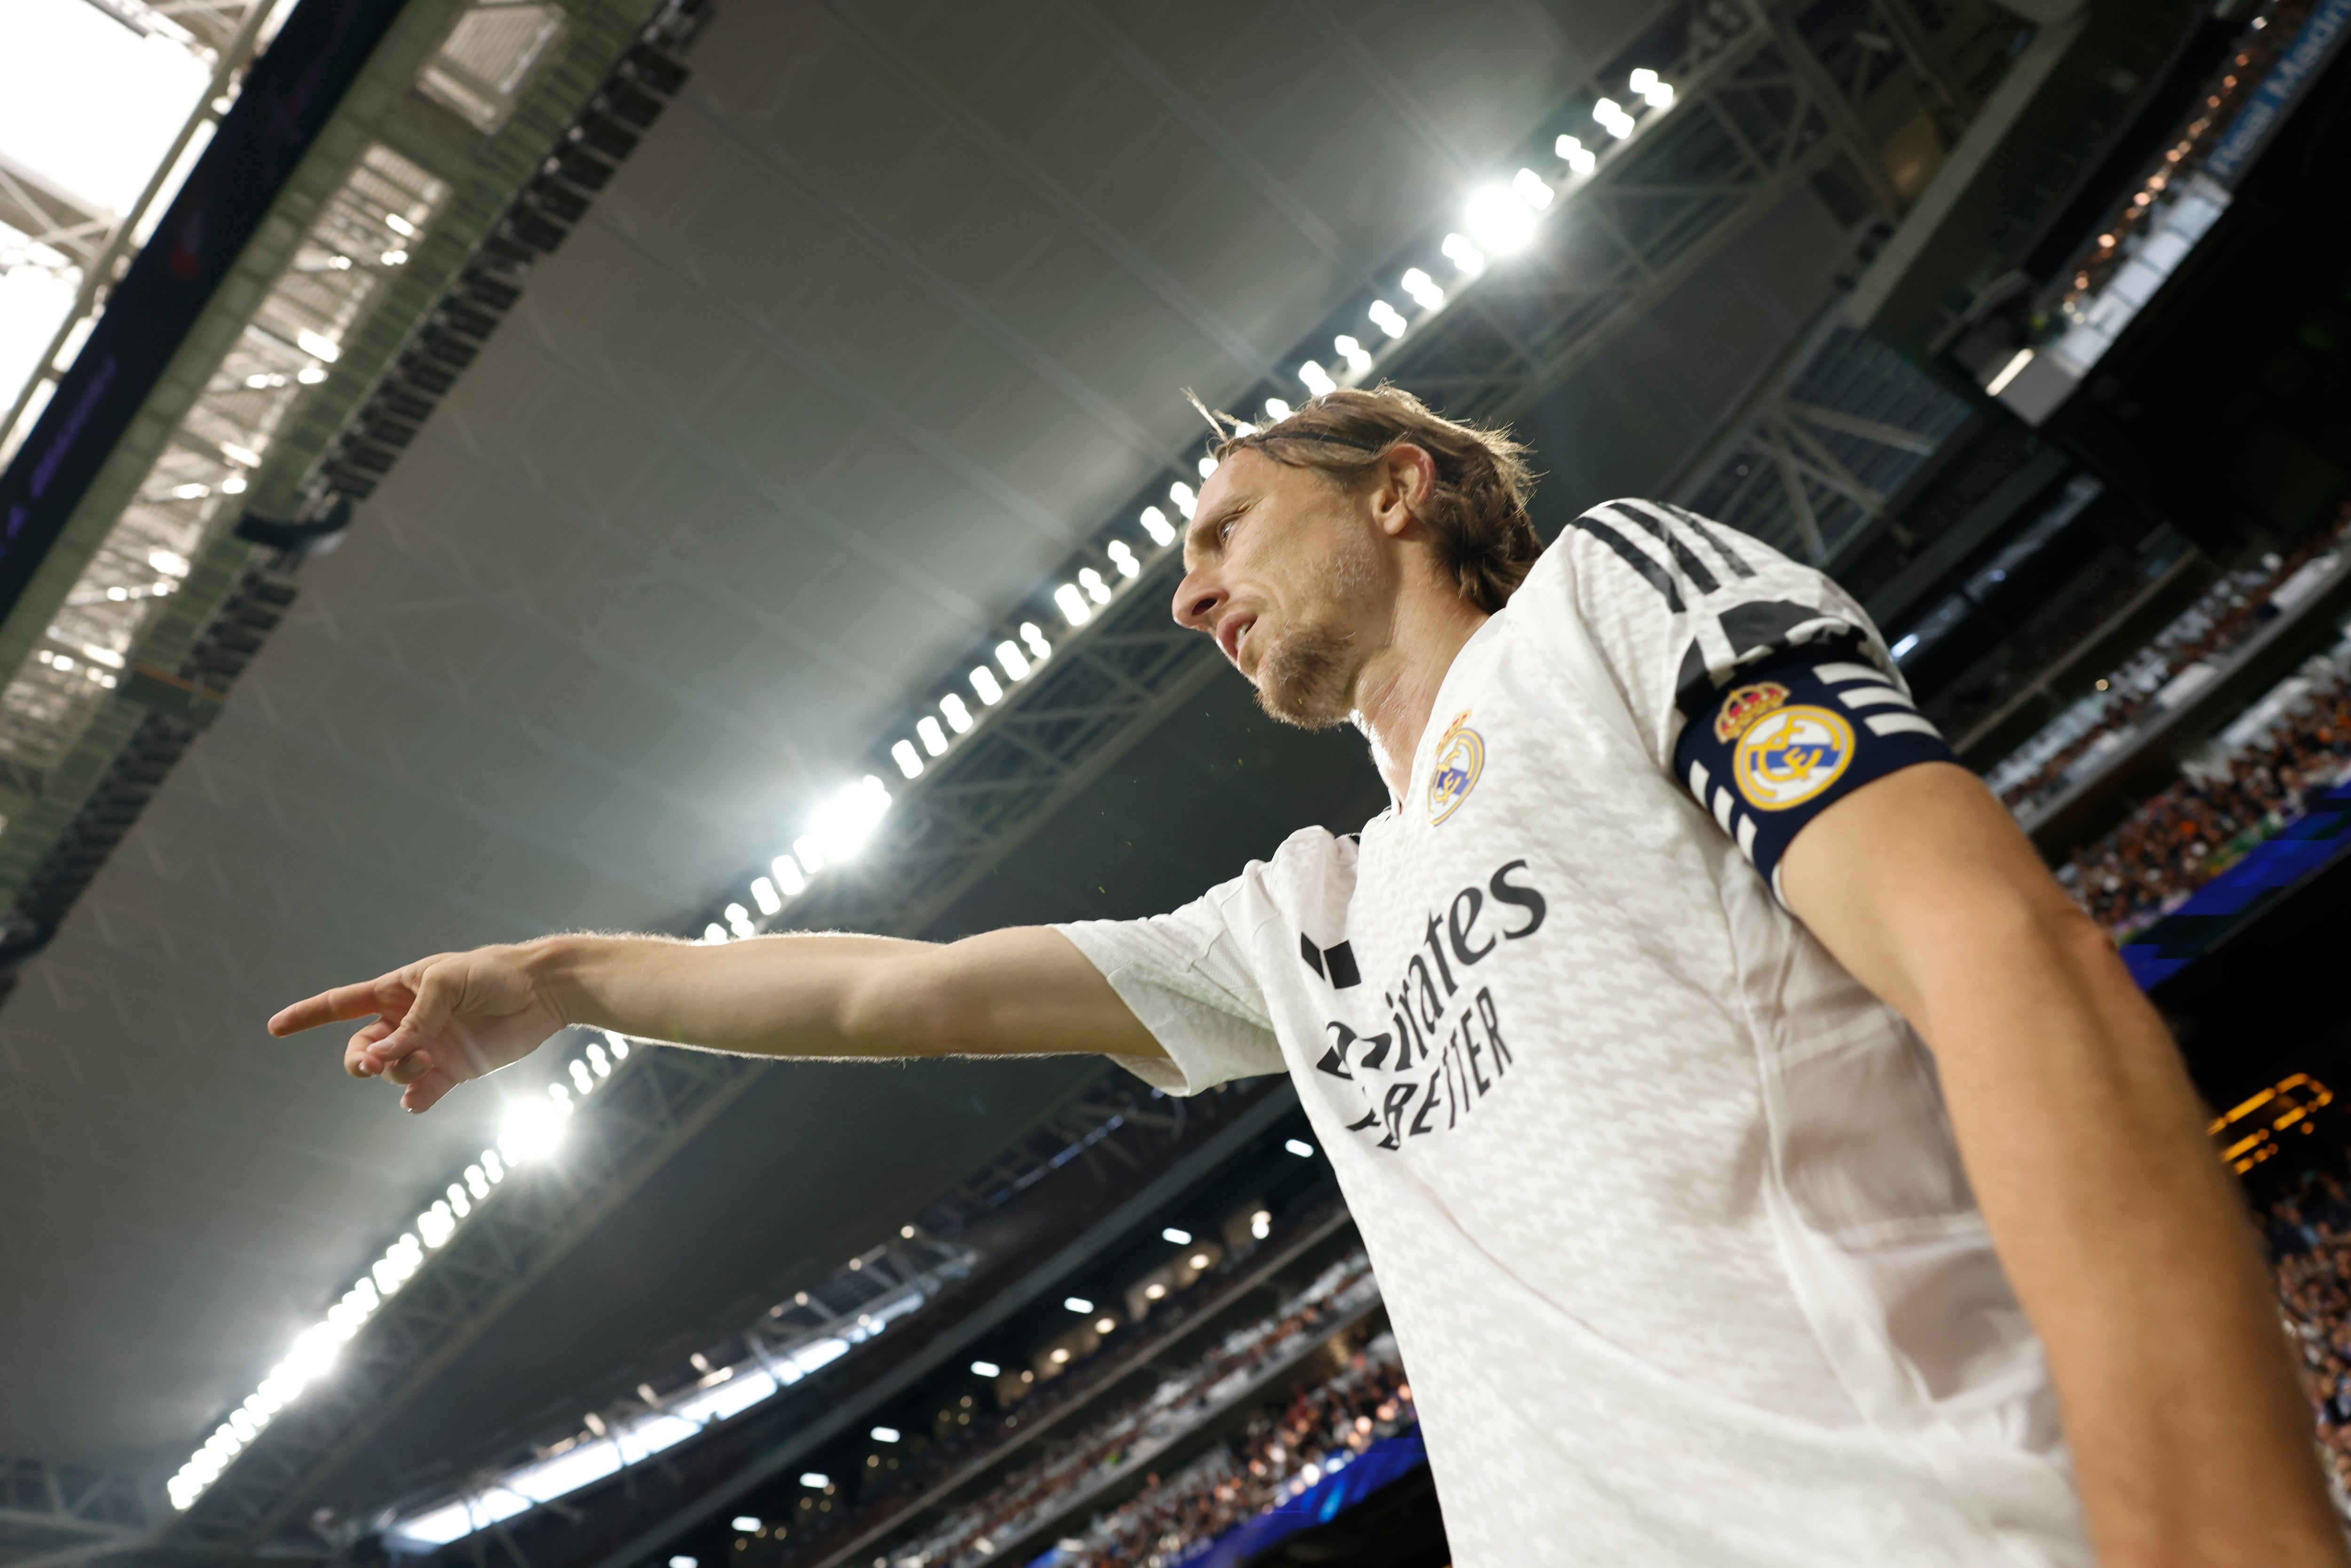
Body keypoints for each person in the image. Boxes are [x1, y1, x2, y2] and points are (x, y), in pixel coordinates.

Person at [272, 387, 2342, 1567]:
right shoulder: (1299, 922)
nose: (1187, 590)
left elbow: (2007, 967)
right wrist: (564, 975)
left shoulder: (1606, 604)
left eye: (1224, 523)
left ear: (1399, 488)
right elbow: (881, 993)